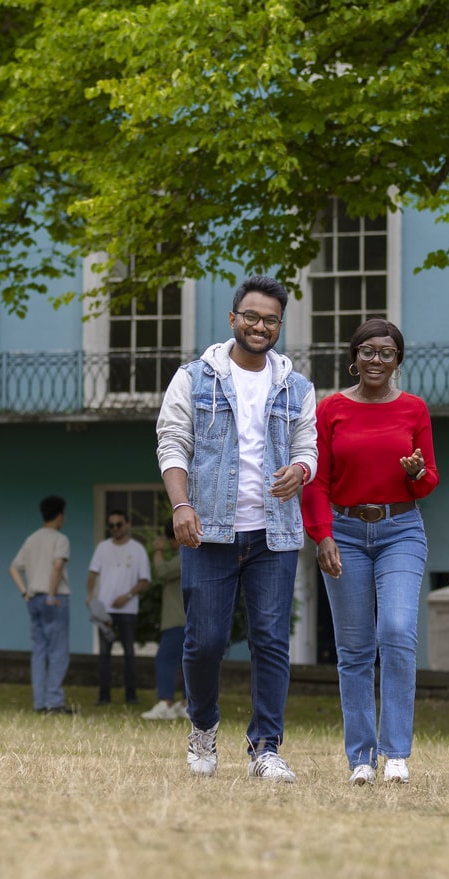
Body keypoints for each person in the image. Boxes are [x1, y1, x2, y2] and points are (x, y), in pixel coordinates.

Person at [155, 274, 316, 782]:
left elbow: (307, 446)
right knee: (204, 641)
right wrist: (181, 505)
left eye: (270, 319)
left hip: (273, 534)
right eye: (251, 316)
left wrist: (302, 469)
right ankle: (203, 730)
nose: (259, 326)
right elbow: (172, 442)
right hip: (209, 531)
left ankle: (265, 747)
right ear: (233, 319)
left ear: (279, 325)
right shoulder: (194, 377)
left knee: (271, 640)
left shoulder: (297, 387)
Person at [301, 318, 438, 786]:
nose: (376, 359)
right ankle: (362, 757)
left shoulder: (414, 409)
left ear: (398, 361)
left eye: (386, 352)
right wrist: (321, 535)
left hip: (401, 529)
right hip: (344, 532)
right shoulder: (330, 408)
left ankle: (396, 753)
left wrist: (416, 472)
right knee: (354, 649)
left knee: (397, 631)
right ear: (353, 357)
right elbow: (316, 480)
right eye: (367, 351)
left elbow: (429, 481)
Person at [9, 495, 73, 715]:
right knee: (58, 652)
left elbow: (14, 568)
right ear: (60, 515)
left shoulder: (32, 539)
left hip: (33, 598)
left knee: (39, 652)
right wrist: (52, 594)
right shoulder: (60, 539)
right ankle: (54, 702)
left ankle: (39, 702)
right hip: (53, 599)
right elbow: (57, 566)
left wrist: (25, 592)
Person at [88, 509, 151, 705]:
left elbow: (145, 580)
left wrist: (128, 596)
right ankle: (104, 696)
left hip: (128, 611)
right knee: (104, 653)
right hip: (105, 610)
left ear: (127, 524)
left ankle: (131, 696)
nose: (115, 528)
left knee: (129, 653)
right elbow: (92, 574)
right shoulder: (102, 547)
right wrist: (90, 597)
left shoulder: (137, 549)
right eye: (112, 525)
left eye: (119, 524)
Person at [142, 519, 188, 720]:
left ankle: (166, 703)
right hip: (184, 619)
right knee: (187, 662)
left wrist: (157, 551)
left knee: (165, 660)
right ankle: (186, 704)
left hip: (177, 620)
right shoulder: (191, 555)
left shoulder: (185, 556)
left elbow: (161, 571)